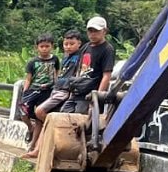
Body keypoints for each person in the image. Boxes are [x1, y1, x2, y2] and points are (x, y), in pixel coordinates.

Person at [25, 30, 83, 158]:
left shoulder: (80, 56)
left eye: (71, 44)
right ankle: (37, 149)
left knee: (40, 112)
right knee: (45, 119)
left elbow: (79, 73)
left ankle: (55, 129)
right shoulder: (65, 56)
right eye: (66, 44)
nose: (68, 46)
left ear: (79, 43)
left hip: (65, 91)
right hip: (56, 89)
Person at [60, 16, 115, 114]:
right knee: (63, 115)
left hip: (90, 93)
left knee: (81, 119)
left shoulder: (107, 49)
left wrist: (97, 97)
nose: (92, 34)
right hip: (78, 91)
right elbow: (78, 69)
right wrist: (72, 90)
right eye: (90, 31)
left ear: (104, 31)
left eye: (96, 31)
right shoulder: (86, 47)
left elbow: (106, 75)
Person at [19, 33, 59, 148]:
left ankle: (33, 145)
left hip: (47, 91)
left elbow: (57, 73)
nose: (44, 49)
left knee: (39, 119)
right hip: (33, 90)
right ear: (37, 47)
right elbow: (28, 79)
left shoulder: (55, 59)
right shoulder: (32, 62)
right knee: (23, 113)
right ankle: (30, 127)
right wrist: (25, 92)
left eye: (47, 46)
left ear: (52, 46)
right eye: (42, 46)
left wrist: (56, 87)